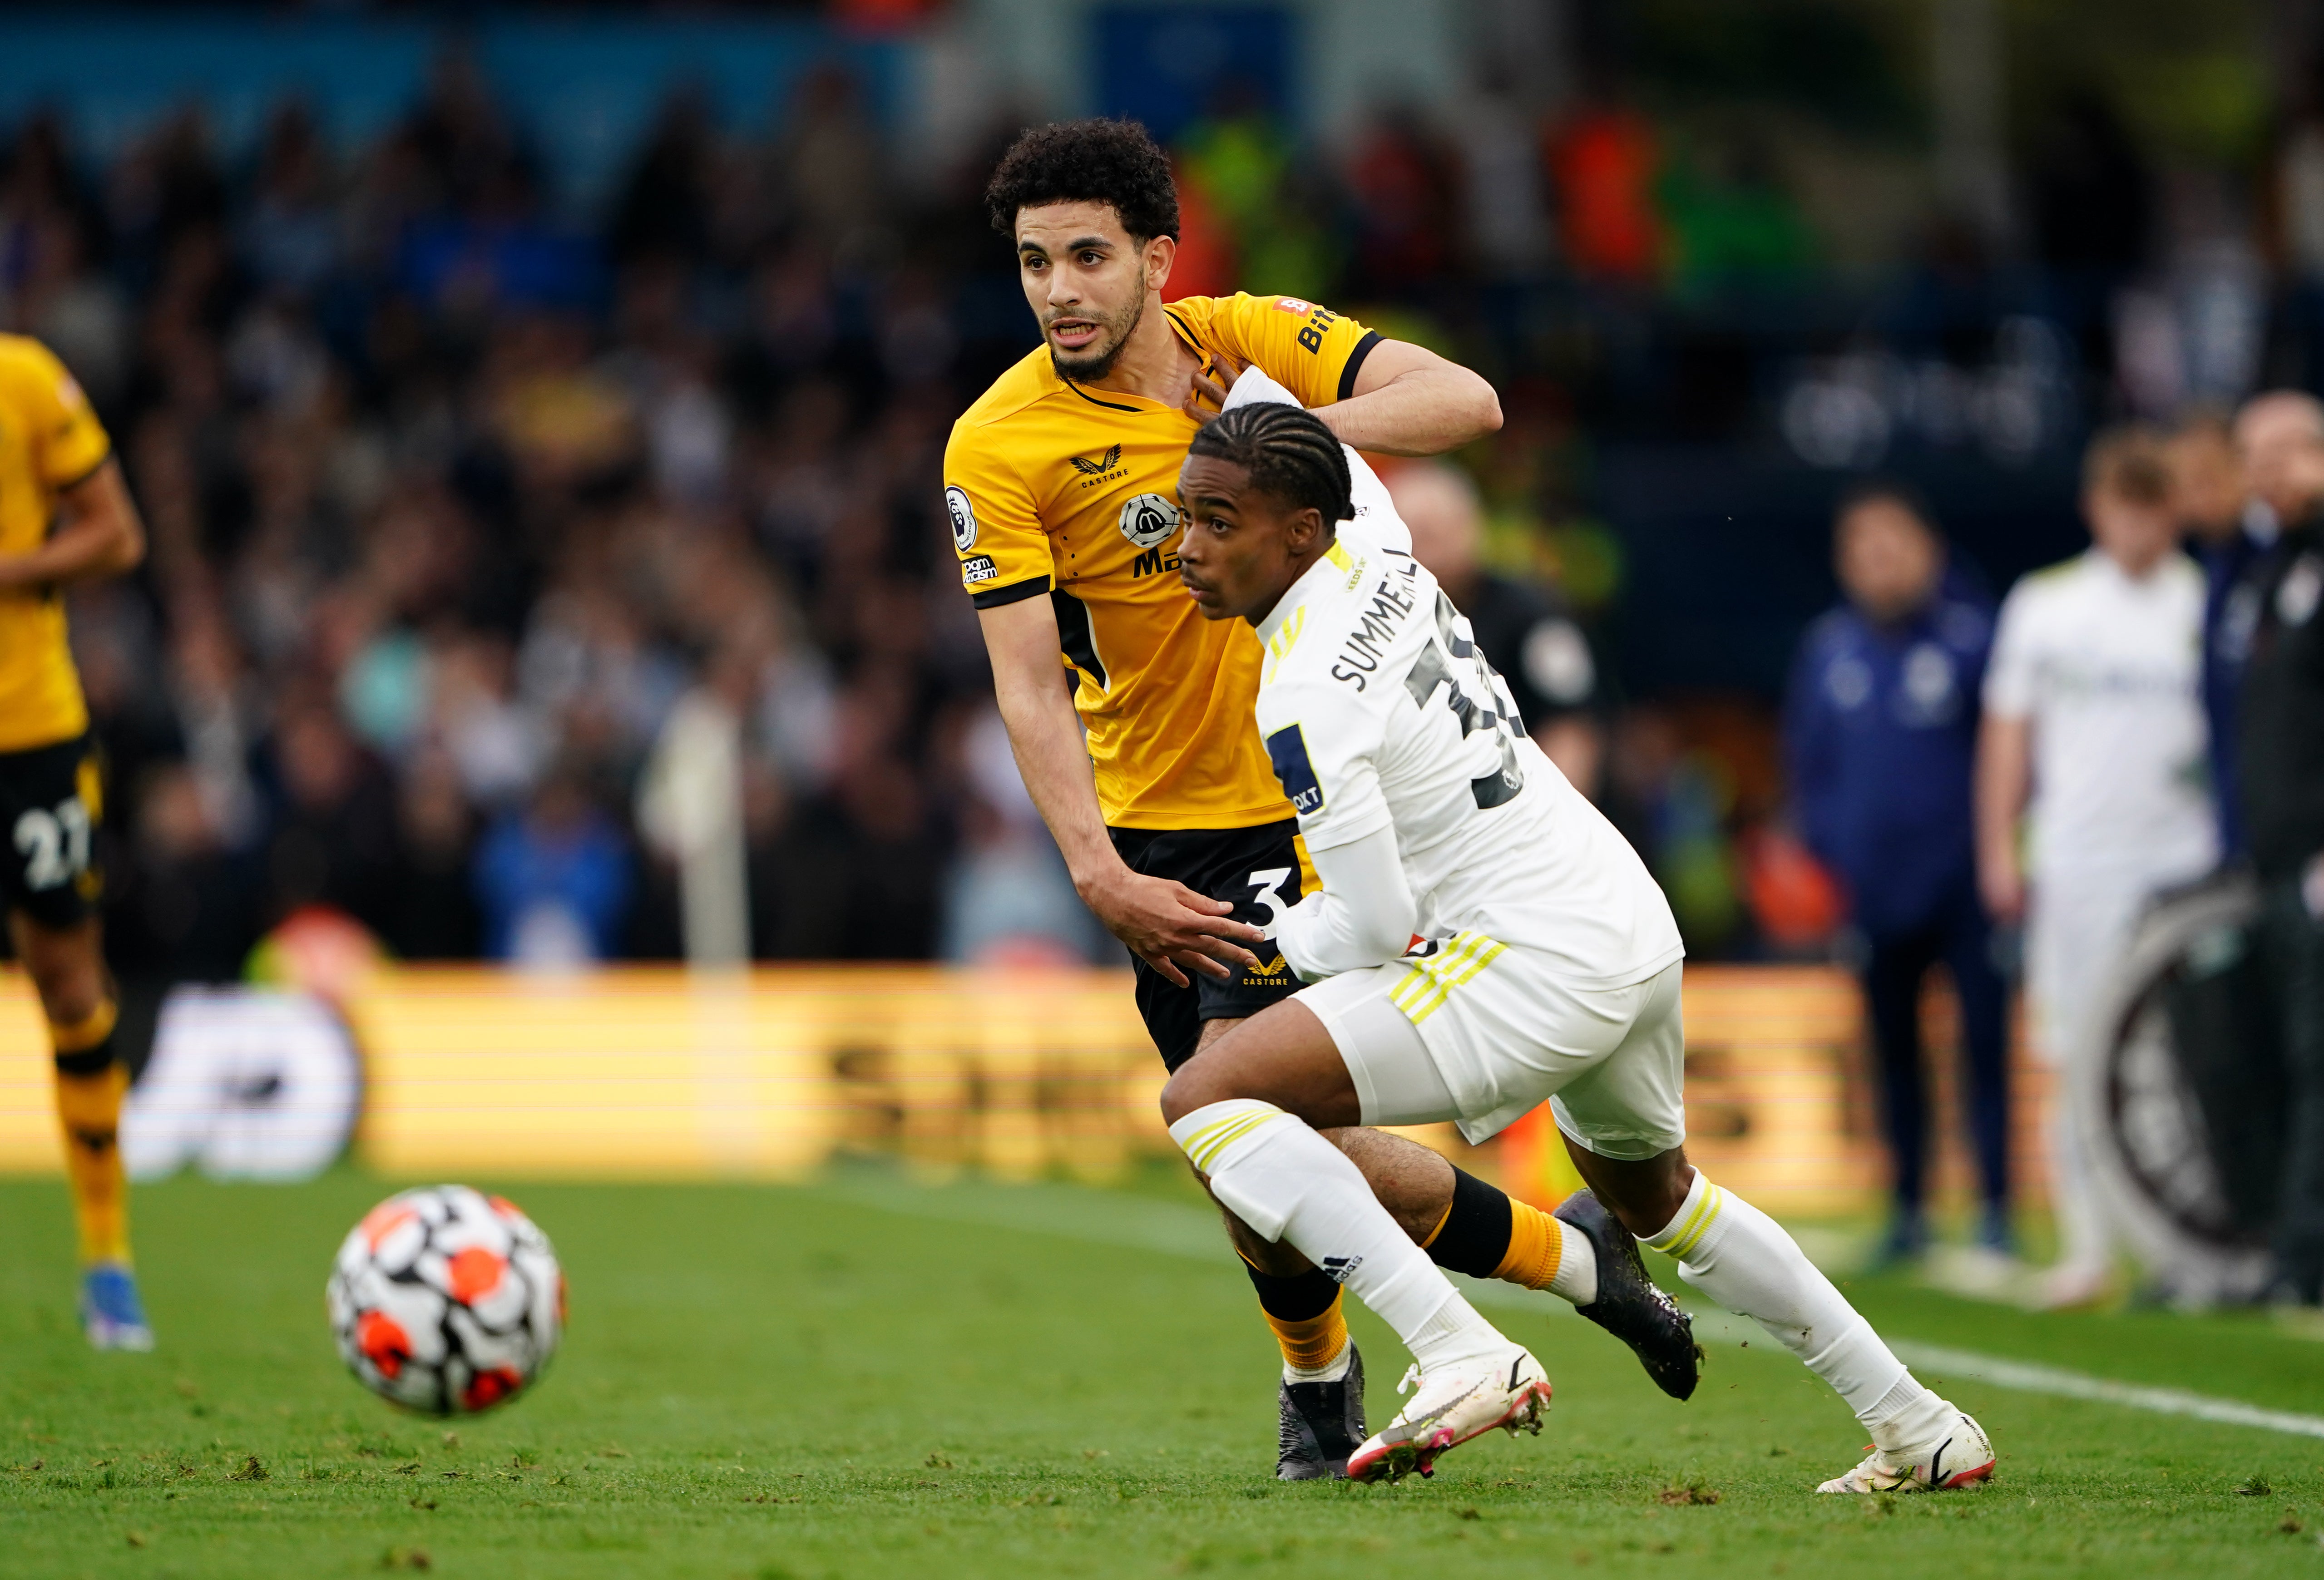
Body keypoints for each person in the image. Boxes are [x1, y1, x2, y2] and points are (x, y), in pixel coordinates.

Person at [948, 119, 1695, 1481]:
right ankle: (1560, 1271)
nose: (1057, 287)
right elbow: (1028, 690)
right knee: (1256, 1141)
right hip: (1178, 831)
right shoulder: (998, 444)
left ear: (1158, 260)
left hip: (1350, 801)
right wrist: (1092, 868)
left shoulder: (1251, 337)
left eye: (1087, 256)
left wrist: (1279, 440)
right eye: (1032, 261)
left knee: (1242, 1121)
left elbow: (1464, 400)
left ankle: (1342, 1383)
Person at [1164, 390, 1993, 1492]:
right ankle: (1916, 1420)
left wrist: (1261, 937)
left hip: (1527, 959)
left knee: (1209, 1099)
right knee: (1664, 1201)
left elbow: (1367, 925)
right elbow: (1304, 413)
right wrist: (1229, 369)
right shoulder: (1376, 532)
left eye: (1219, 522)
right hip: (1624, 917)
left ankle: (1461, 1347)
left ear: (1296, 532)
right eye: (1187, 515)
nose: (1187, 548)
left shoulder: (1305, 693)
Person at [1976, 426, 2215, 1309]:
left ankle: (2185, 1250)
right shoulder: (2047, 605)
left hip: (2186, 864)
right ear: (2097, 508)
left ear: (2174, 512)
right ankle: (2086, 1245)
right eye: (2125, 507)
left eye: (2154, 509)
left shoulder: (2205, 601)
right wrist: (2000, 846)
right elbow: (2008, 735)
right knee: (2073, 1052)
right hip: (2076, 862)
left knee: (2186, 1057)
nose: (2139, 528)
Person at [1784, 484, 2008, 1264]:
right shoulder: (1828, 652)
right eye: (1862, 548)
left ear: (1928, 551)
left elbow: (2007, 760)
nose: (1879, 563)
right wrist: (1831, 858)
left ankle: (1994, 1210)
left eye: (1893, 545)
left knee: (1984, 1044)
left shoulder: (1972, 641)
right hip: (1873, 891)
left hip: (1965, 888)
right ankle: (1907, 1208)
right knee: (1891, 1052)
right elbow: (1807, 770)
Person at [0, 334, 151, 1347]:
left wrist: (12, 569)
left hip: (29, 732)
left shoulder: (22, 380)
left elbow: (118, 537)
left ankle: (108, 1259)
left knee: (67, 980)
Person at [2226, 394, 2324, 1304]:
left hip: (2316, 857)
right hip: (2278, 858)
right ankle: (2294, 1254)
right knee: (2296, 1056)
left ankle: (2302, 1263)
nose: (2269, 468)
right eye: (2253, 453)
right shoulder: (2271, 570)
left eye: (2287, 449)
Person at [1389, 460, 1604, 798]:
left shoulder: (1534, 616)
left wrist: (1542, 818)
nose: (1425, 550)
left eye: (1434, 532)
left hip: (1526, 810)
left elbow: (1572, 731)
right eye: (1412, 536)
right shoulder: (1388, 626)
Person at [2173, 410, 2262, 859]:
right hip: (2238, 828)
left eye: (2206, 476)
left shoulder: (2280, 560)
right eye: (2182, 480)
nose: (2193, 494)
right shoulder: (2213, 569)